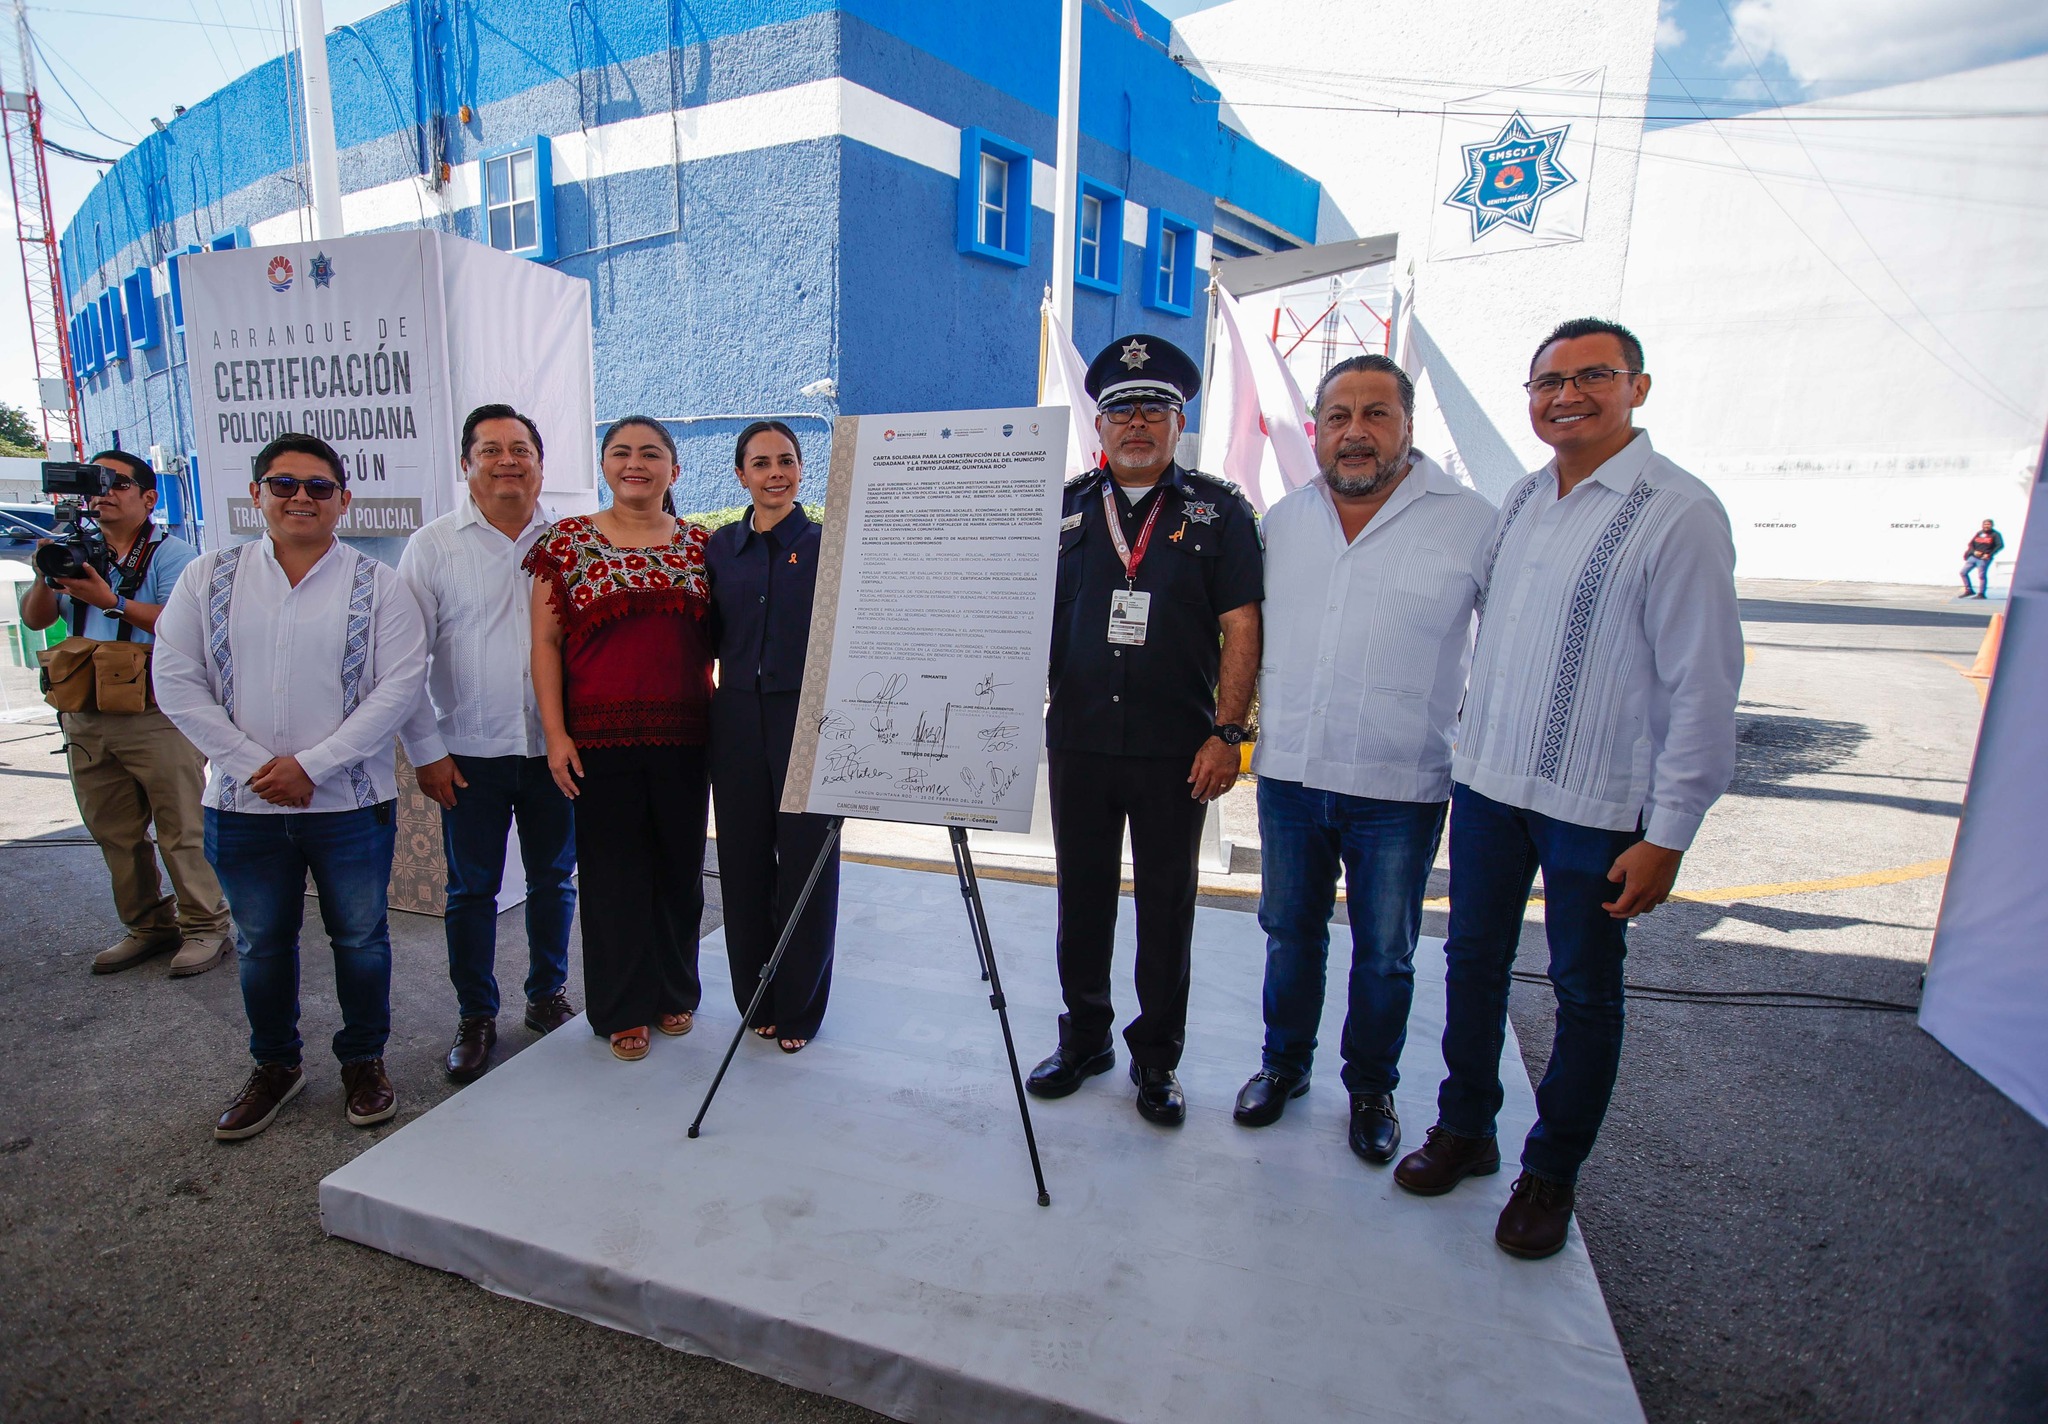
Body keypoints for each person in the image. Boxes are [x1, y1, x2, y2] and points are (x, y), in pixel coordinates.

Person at [1395, 318, 1743, 1259]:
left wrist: (1669, 832)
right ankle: (1466, 1128)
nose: (1567, 396)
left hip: (1598, 803)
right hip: (1490, 787)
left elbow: (1704, 685)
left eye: (1593, 376)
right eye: (1549, 382)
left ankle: (1551, 1173)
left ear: (1638, 387)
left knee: (1584, 989)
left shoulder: (1678, 512)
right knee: (1471, 964)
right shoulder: (1520, 500)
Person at [1234, 355, 1497, 1166]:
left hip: (1399, 784)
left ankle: (1372, 1088)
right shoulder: (1284, 520)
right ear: (1316, 430)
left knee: (1385, 953)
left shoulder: (1472, 522)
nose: (1355, 432)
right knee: (1289, 933)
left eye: (1376, 414)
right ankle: (1283, 1066)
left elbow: (1510, 649)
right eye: (1338, 416)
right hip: (1290, 776)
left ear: (1408, 426)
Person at [153, 433, 429, 1141]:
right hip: (243, 806)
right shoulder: (208, 578)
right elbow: (176, 681)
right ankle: (275, 1065)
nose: (301, 497)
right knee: (261, 945)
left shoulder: (379, 584)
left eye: (318, 486)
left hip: (351, 804)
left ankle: (363, 1061)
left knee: (361, 940)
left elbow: (399, 688)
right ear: (256, 495)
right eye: (283, 484)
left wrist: (315, 765)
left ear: (344, 500)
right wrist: (254, 765)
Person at [1025, 333, 1264, 1126]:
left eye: (1154, 409)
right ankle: (1085, 1038)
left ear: (1178, 422)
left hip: (1177, 748)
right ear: (1099, 424)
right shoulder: (1058, 508)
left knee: (1167, 906)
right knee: (1081, 900)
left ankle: (1156, 1060)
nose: (1137, 423)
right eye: (1121, 409)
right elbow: (1014, 616)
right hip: (1081, 740)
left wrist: (1228, 734)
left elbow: (1242, 626)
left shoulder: (1219, 513)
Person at [398, 404, 578, 1086]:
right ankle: (476, 1016)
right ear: (466, 464)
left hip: (554, 751)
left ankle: (546, 995)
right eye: (491, 449)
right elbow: (404, 662)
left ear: (540, 463)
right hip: (467, 753)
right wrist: (426, 751)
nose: (508, 460)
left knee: (554, 879)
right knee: (471, 890)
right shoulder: (433, 546)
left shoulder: (571, 542)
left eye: (520, 449)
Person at [527, 416, 714, 1063]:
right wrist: (555, 734)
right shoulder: (566, 543)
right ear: (604, 465)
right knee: (613, 878)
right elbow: (544, 644)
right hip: (598, 742)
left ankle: (673, 991)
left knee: (680, 872)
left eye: (651, 453)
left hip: (686, 739)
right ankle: (621, 1007)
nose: (636, 463)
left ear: (674, 470)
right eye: (621, 452)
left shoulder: (702, 546)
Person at [20, 450, 232, 978]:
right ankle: (147, 925)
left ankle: (206, 927)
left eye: (118, 484)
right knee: (114, 831)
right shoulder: (75, 549)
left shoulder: (172, 554)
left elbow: (183, 624)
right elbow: (35, 619)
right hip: (86, 708)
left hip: (157, 709)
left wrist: (109, 600)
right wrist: (46, 574)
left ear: (148, 497)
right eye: (97, 484)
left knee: (181, 826)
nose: (105, 494)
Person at [705, 420, 838, 1054]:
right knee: (743, 861)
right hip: (733, 718)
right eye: (761, 463)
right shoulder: (718, 549)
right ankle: (755, 996)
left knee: (808, 863)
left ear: (801, 469)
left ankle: (800, 1005)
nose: (775, 473)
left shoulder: (827, 544)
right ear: (741, 475)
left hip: (808, 719)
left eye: (786, 460)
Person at [1960, 520, 2003, 599]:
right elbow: (1971, 544)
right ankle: (1969, 590)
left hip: (1984, 558)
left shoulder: (1995, 534)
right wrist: (1974, 551)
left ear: (1992, 525)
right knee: (1963, 572)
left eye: (1988, 524)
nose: (1986, 526)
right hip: (1973, 557)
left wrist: (1989, 554)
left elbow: (2000, 545)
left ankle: (1981, 594)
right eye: (1985, 524)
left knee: (1981, 576)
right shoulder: (1979, 533)